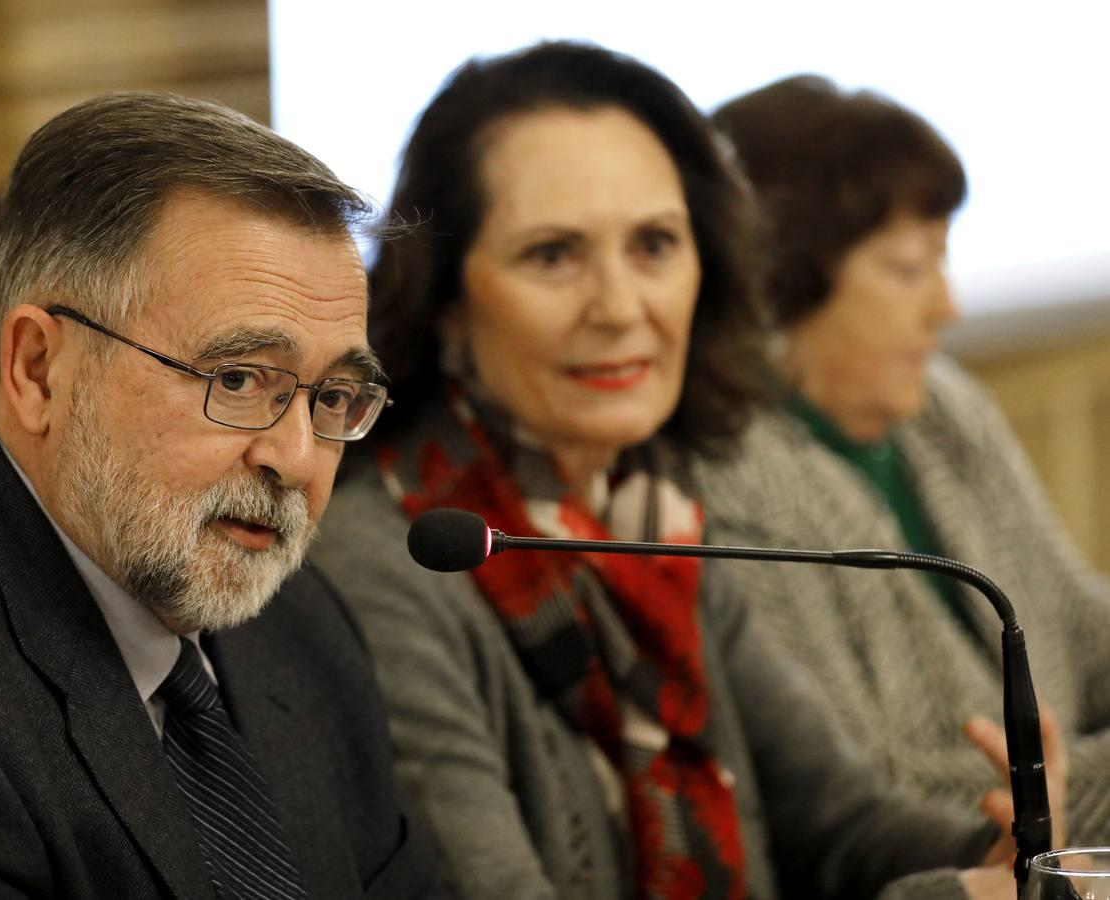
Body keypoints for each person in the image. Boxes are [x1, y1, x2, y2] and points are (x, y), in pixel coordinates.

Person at [308, 43, 1063, 900]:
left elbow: (841, 824)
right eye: (553, 255)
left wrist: (1000, 845)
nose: (621, 307)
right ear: (445, 297)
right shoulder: (390, 561)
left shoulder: (650, 510)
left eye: (654, 245)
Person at [0, 92, 440, 899]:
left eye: (331, 396)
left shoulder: (303, 625)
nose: (294, 457)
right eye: (237, 379)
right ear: (39, 370)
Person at [692, 75, 1110, 848]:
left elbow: (1083, 636)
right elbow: (879, 796)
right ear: (781, 281)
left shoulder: (941, 408)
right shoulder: (724, 480)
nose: (945, 307)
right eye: (909, 268)